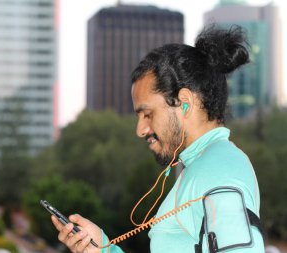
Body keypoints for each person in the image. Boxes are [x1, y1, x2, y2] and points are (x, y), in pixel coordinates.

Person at [50, 25, 264, 253]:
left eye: (148, 114)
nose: (140, 129)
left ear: (184, 102)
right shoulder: (203, 166)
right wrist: (103, 249)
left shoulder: (219, 171)